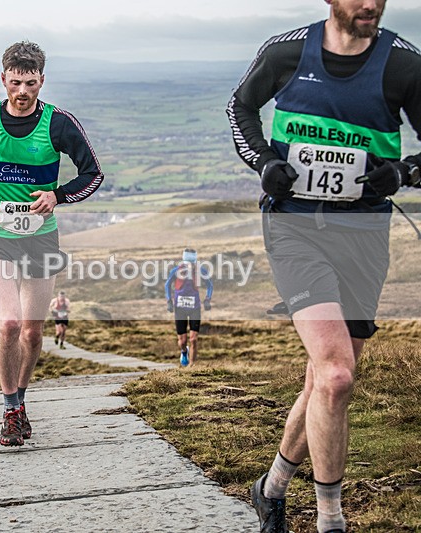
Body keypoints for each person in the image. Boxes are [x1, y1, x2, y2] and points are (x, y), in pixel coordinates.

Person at [228, 1, 421, 532]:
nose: (371, 4)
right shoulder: (288, 50)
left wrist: (402, 173)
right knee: (337, 377)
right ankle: (330, 520)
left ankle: (271, 489)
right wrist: (265, 161)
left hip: (364, 237)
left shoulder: (405, 64)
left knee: (324, 379)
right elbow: (240, 108)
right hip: (295, 230)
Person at [0, 41, 103, 446]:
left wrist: (58, 196)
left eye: (31, 83)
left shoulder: (58, 123)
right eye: (15, 82)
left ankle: (21, 397)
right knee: (10, 322)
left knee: (33, 334)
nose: (22, 91)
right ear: (3, 79)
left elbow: (92, 173)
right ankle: (10, 410)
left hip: (39, 238)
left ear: (42, 81)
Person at [165, 248, 212, 367]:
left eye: (191, 262)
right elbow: (167, 284)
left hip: (194, 308)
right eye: (187, 262)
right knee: (182, 341)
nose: (189, 265)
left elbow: (209, 285)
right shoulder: (176, 270)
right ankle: (184, 351)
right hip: (179, 308)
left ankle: (191, 365)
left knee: (193, 339)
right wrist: (169, 301)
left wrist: (207, 299)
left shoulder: (200, 270)